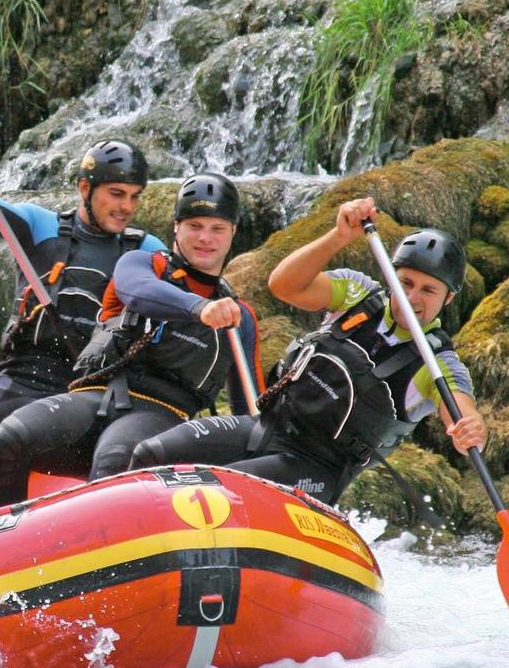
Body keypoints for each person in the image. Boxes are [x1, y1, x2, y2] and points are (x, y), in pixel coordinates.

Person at [129, 197, 486, 504]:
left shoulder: (438, 363)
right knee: (150, 454)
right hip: (265, 427)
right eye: (404, 282)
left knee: (213, 490)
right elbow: (283, 285)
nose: (411, 298)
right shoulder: (358, 294)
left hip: (317, 468)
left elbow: (461, 413)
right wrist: (339, 237)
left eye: (428, 290)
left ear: (449, 298)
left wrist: (471, 429)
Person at [0, 172, 263, 506]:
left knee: (115, 457)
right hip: (94, 397)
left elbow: (250, 414)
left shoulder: (239, 318)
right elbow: (138, 292)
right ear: (176, 227)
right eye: (194, 226)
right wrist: (199, 308)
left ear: (232, 233)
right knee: (14, 433)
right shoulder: (141, 263)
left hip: (162, 416)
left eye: (217, 229)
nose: (205, 238)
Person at [0, 132, 167, 450]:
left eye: (135, 196)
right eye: (117, 194)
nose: (126, 207)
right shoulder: (41, 226)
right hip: (18, 385)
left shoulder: (148, 251)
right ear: (84, 188)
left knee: (20, 433)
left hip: (88, 402)